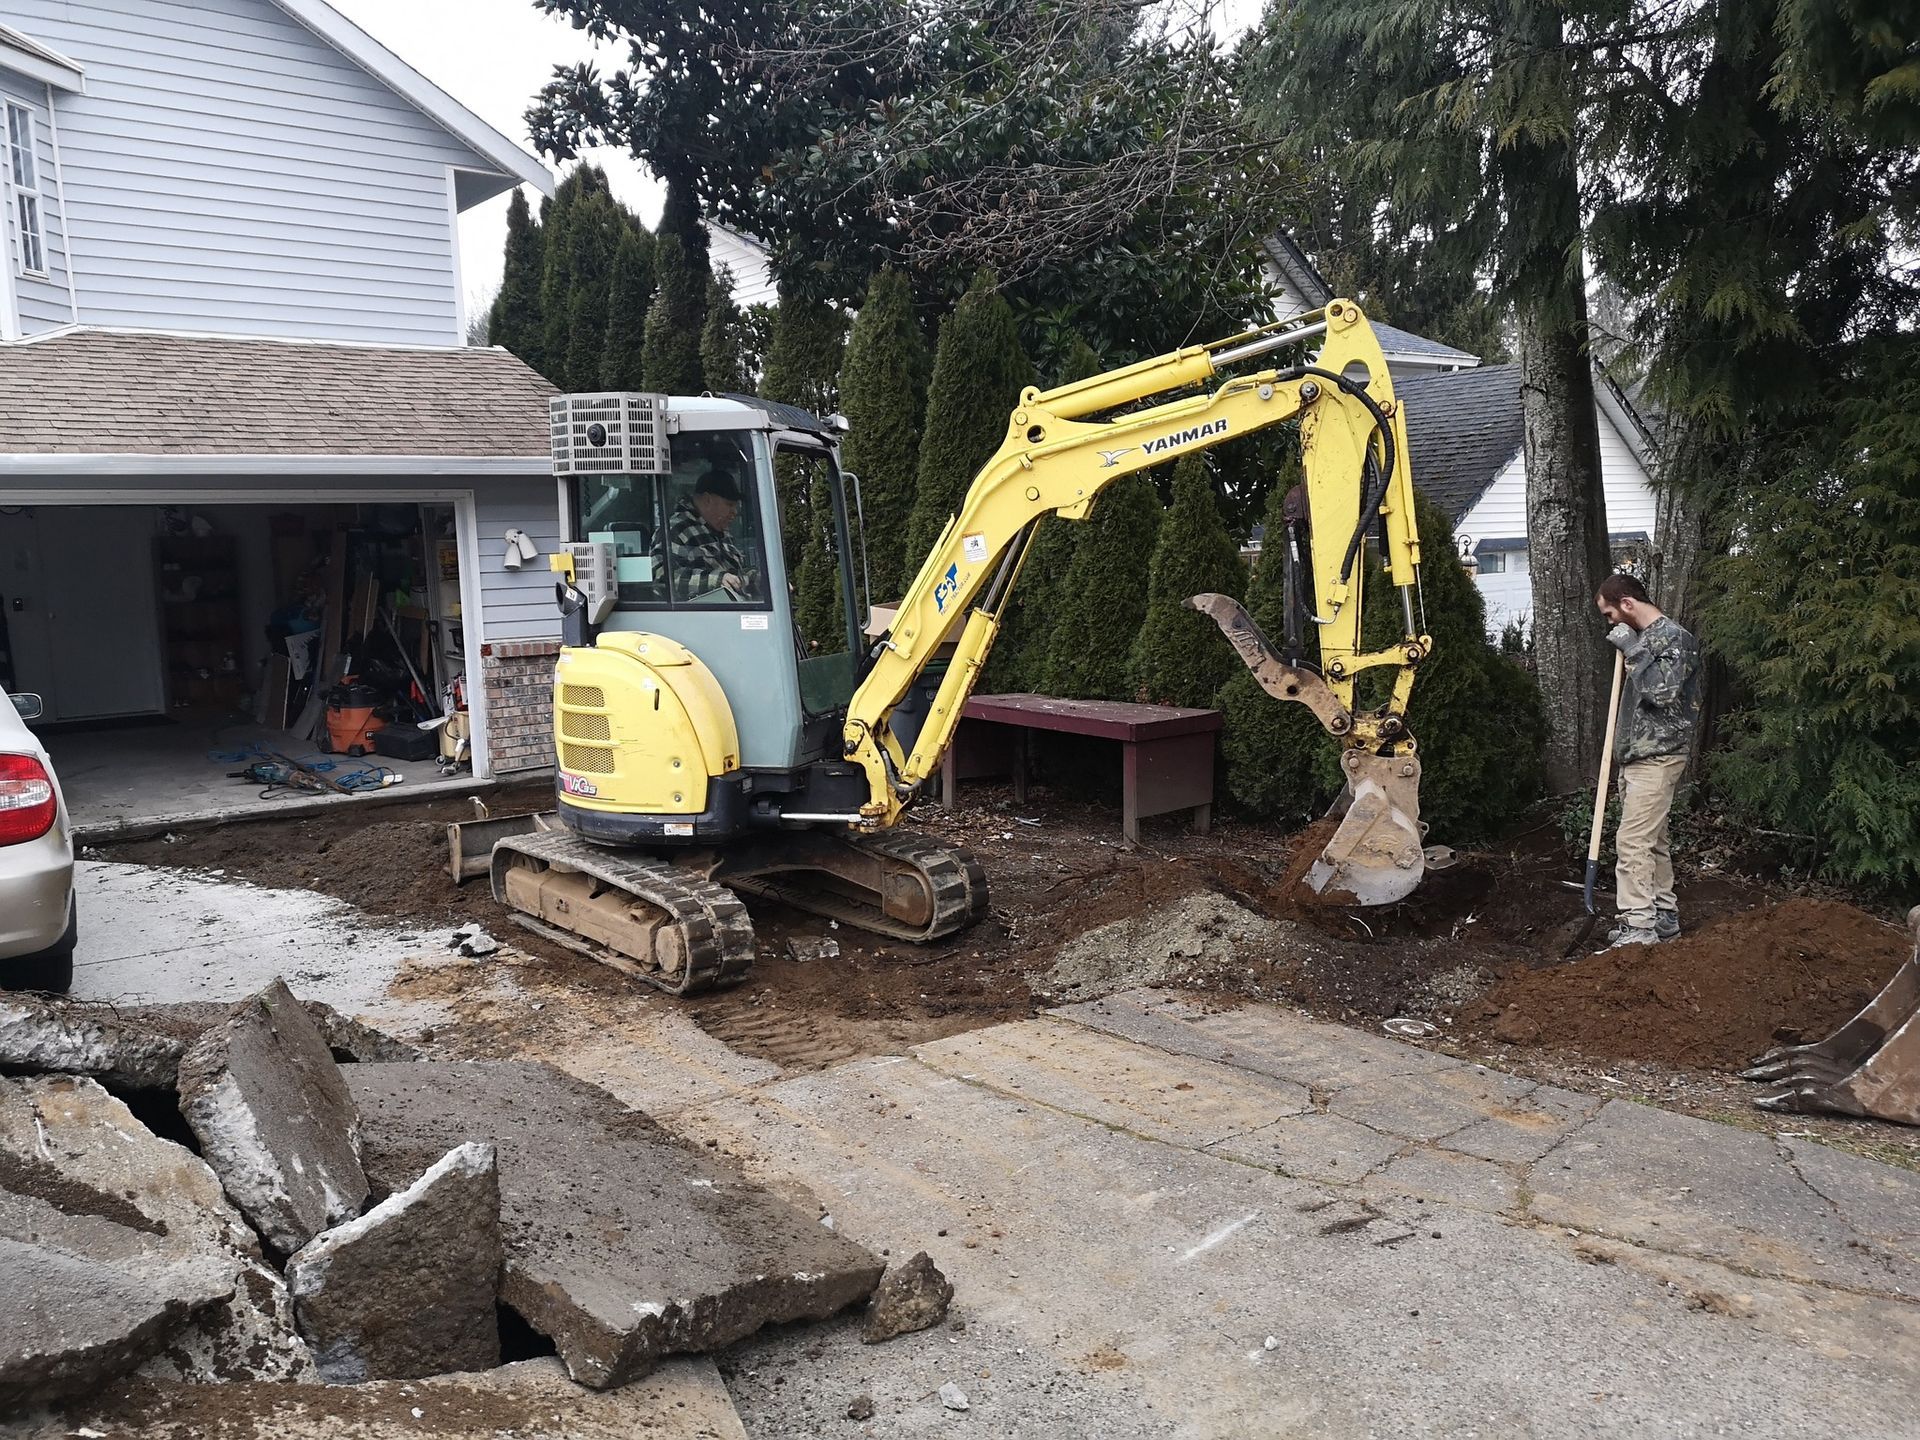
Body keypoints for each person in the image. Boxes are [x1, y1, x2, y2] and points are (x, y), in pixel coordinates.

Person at [1595, 572, 1702, 948]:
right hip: (1637, 758)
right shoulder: (1644, 641)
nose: (1610, 624)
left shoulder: (1674, 638)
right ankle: (1664, 916)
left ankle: (1638, 927)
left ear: (1627, 604)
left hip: (1658, 757)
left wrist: (1632, 649)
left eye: (1610, 615)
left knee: (1633, 842)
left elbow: (1664, 691)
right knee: (1653, 840)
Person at [659, 469, 756, 600]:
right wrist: (714, 581)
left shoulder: (719, 531)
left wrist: (764, 580)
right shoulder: (674, 531)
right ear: (707, 500)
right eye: (729, 504)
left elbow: (736, 574)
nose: (735, 512)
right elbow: (663, 579)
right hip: (698, 617)